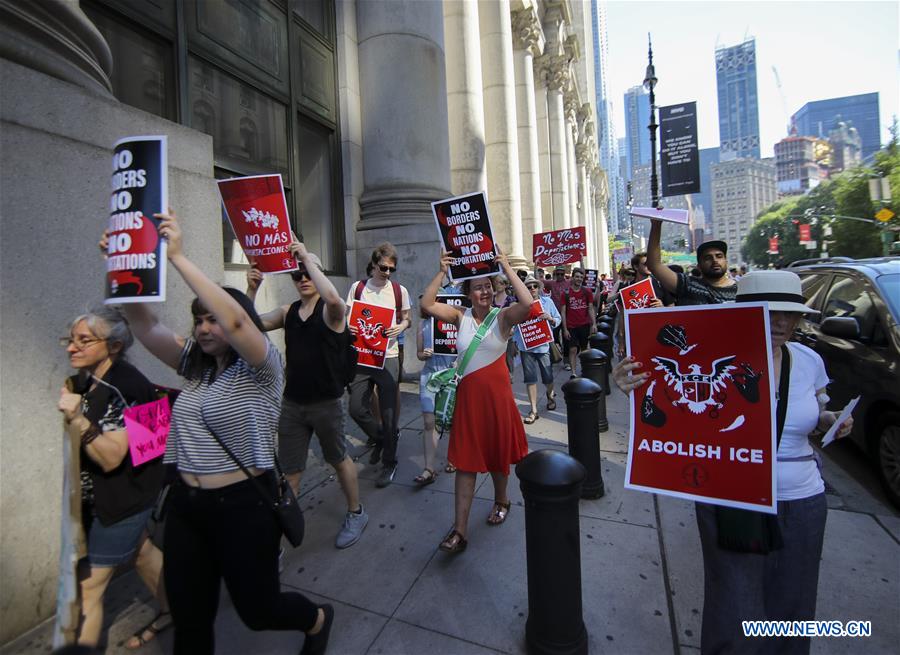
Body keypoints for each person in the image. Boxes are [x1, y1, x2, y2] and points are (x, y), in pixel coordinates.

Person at [103, 210, 333, 655]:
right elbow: (146, 326)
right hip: (188, 510)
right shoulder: (194, 366)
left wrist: (178, 258)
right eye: (198, 320)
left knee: (258, 610)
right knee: (191, 622)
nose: (205, 328)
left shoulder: (263, 369)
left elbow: (240, 324)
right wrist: (123, 265)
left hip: (245, 508)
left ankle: (317, 619)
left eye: (213, 319)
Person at [613, 270, 853, 655]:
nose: (780, 322)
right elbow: (670, 412)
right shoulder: (707, 360)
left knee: (794, 603)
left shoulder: (808, 360)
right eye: (770, 311)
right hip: (732, 498)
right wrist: (632, 386)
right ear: (747, 313)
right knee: (734, 606)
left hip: (803, 500)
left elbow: (817, 412)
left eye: (790, 314)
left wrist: (832, 421)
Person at [57, 307, 168, 649]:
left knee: (89, 586)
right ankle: (179, 608)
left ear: (114, 346)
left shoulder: (128, 386)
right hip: (118, 495)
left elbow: (111, 458)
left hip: (124, 499)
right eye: (70, 340)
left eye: (83, 340)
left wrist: (78, 421)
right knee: (142, 553)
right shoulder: (90, 380)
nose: (71, 348)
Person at [246, 243, 368, 550]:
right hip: (292, 404)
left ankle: (356, 512)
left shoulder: (331, 312)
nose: (302, 277)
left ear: (319, 273)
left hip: (327, 403)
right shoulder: (288, 313)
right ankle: (275, 543)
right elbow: (247, 325)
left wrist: (305, 256)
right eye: (296, 273)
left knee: (338, 459)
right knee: (290, 473)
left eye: (308, 271)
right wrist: (252, 289)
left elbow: (332, 298)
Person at [421, 247, 532, 553]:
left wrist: (507, 268)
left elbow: (529, 305)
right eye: (477, 287)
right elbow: (427, 304)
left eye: (487, 286)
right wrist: (442, 269)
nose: (483, 291)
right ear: (467, 292)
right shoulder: (460, 316)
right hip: (469, 404)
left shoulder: (503, 317)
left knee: (498, 457)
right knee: (466, 463)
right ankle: (459, 531)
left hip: (497, 402)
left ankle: (502, 499)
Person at [346, 243, 411, 488]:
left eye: (391, 269)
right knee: (355, 408)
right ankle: (382, 438)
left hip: (389, 356)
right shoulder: (358, 288)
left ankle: (389, 462)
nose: (387, 273)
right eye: (383, 267)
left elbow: (408, 318)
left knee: (388, 412)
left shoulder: (398, 291)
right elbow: (348, 314)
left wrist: (401, 326)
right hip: (362, 356)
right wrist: (349, 326)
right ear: (373, 264)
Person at [647, 218, 736, 306]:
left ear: (726, 261)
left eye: (719, 256)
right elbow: (655, 265)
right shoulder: (687, 285)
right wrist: (656, 224)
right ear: (699, 266)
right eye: (707, 258)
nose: (715, 260)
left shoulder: (741, 289)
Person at [415, 300, 456, 485]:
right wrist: (425, 353)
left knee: (452, 420)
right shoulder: (423, 325)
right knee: (429, 421)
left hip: (451, 376)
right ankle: (428, 468)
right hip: (430, 376)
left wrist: (459, 361)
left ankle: (454, 457)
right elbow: (419, 354)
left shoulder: (456, 324)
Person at [513, 275, 561, 424]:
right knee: (530, 379)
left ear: (538, 288)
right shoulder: (519, 306)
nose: (532, 289)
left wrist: (551, 319)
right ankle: (533, 410)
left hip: (543, 346)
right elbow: (515, 327)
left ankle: (550, 394)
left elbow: (558, 318)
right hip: (526, 347)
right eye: (528, 287)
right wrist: (514, 341)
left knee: (548, 377)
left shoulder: (547, 302)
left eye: (534, 286)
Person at [613, 252, 664, 358]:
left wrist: (662, 307)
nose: (649, 266)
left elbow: (673, 307)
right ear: (636, 267)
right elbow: (622, 316)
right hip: (635, 338)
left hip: (658, 335)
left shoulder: (660, 283)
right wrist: (621, 342)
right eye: (645, 264)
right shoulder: (627, 290)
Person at [560, 267, 596, 376]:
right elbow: (563, 312)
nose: (579, 279)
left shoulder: (587, 292)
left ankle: (585, 370)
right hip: (571, 326)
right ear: (572, 277)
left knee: (585, 349)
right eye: (577, 276)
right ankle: (573, 372)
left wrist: (594, 323)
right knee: (573, 349)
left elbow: (590, 308)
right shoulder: (565, 293)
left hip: (584, 325)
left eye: (581, 277)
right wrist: (565, 329)